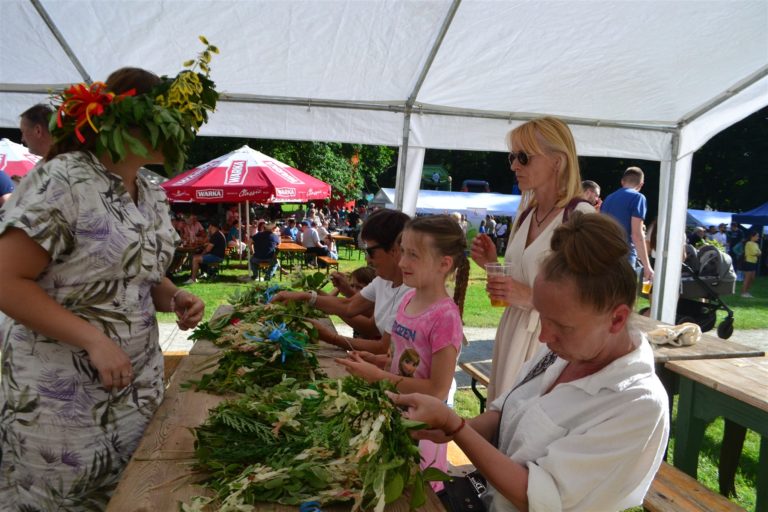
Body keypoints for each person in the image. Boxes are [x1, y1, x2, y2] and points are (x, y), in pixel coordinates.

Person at [0, 53, 217, 508]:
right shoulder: (63, 179)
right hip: (61, 397)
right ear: (129, 122)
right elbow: (7, 280)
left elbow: (137, 275)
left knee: (129, 495)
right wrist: (93, 340)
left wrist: (174, 293)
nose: (182, 133)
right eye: (172, 121)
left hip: (135, 385)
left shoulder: (152, 191)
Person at [389, 212, 669, 512]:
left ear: (617, 319)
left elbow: (537, 497)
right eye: (542, 317)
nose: (545, 336)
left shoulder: (637, 404)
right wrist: (446, 428)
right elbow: (504, 413)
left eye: (561, 326)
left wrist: (455, 426)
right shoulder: (566, 351)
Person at [335, 215, 466, 490]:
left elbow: (437, 389)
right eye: (403, 251)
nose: (403, 262)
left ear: (444, 264)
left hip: (422, 430)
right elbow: (403, 358)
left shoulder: (445, 317)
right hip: (394, 415)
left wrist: (378, 377)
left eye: (413, 255)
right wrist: (378, 361)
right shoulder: (408, 299)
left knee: (412, 493)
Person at [471, 116, 593, 401]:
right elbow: (521, 280)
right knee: (503, 413)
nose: (514, 165)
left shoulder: (579, 216)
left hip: (549, 343)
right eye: (512, 157)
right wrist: (492, 264)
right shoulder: (527, 214)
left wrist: (530, 297)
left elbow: (591, 301)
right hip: (514, 332)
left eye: (523, 157)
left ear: (557, 161)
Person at [271, 209, 411, 351]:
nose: (367, 259)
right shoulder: (383, 281)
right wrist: (306, 297)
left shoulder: (410, 294)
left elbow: (384, 348)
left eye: (370, 251)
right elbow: (349, 306)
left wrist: (331, 338)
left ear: (395, 249)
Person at [601, 167, 654, 282]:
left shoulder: (608, 198)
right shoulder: (638, 197)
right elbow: (636, 235)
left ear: (622, 181)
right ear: (641, 184)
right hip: (624, 256)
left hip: (604, 255)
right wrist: (647, 266)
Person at [741, 230, 762, 298]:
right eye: (757, 236)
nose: (758, 237)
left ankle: (747, 291)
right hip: (748, 262)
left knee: (752, 278)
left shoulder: (756, 244)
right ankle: (743, 293)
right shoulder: (748, 243)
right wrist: (757, 253)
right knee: (747, 278)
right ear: (752, 236)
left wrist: (757, 253)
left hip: (754, 262)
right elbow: (754, 253)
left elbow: (760, 252)